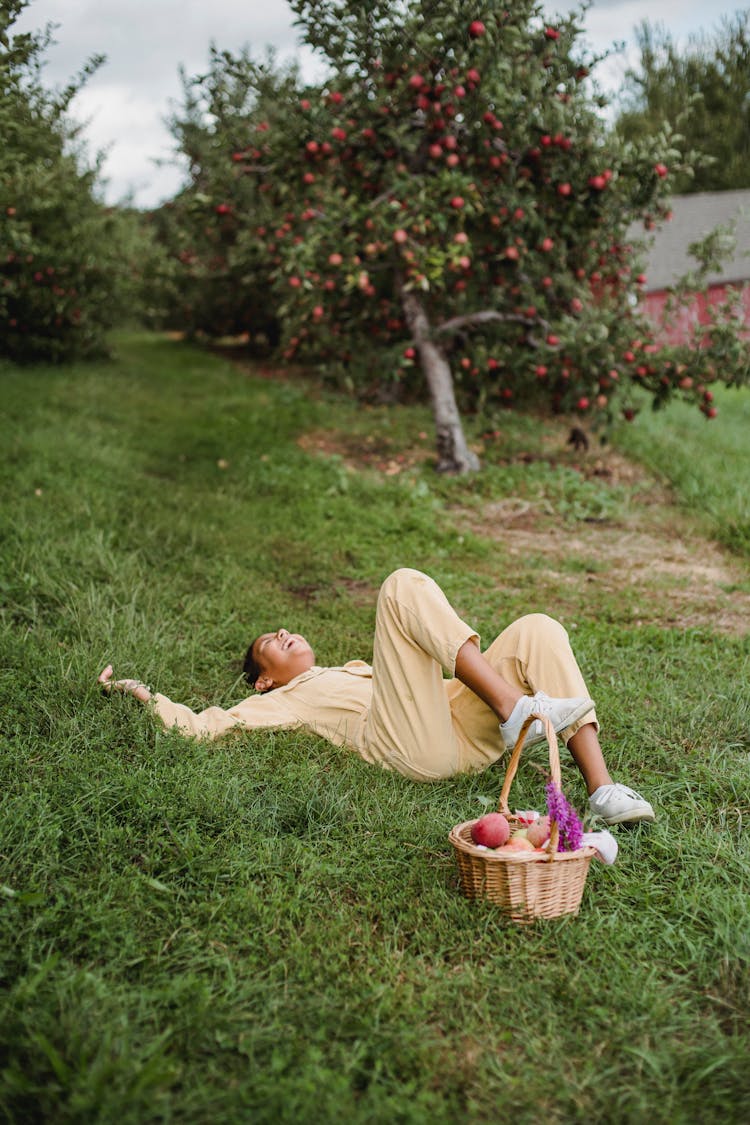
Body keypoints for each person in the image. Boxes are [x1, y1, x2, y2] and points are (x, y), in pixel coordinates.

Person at [98, 567, 654, 826]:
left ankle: (601, 791)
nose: (284, 633)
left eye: (282, 629)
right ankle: (515, 709)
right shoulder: (277, 701)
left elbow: (426, 683)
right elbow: (203, 725)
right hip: (412, 748)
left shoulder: (348, 671)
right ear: (265, 677)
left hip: (460, 727)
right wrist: (144, 695)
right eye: (271, 642)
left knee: (538, 627)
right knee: (401, 586)